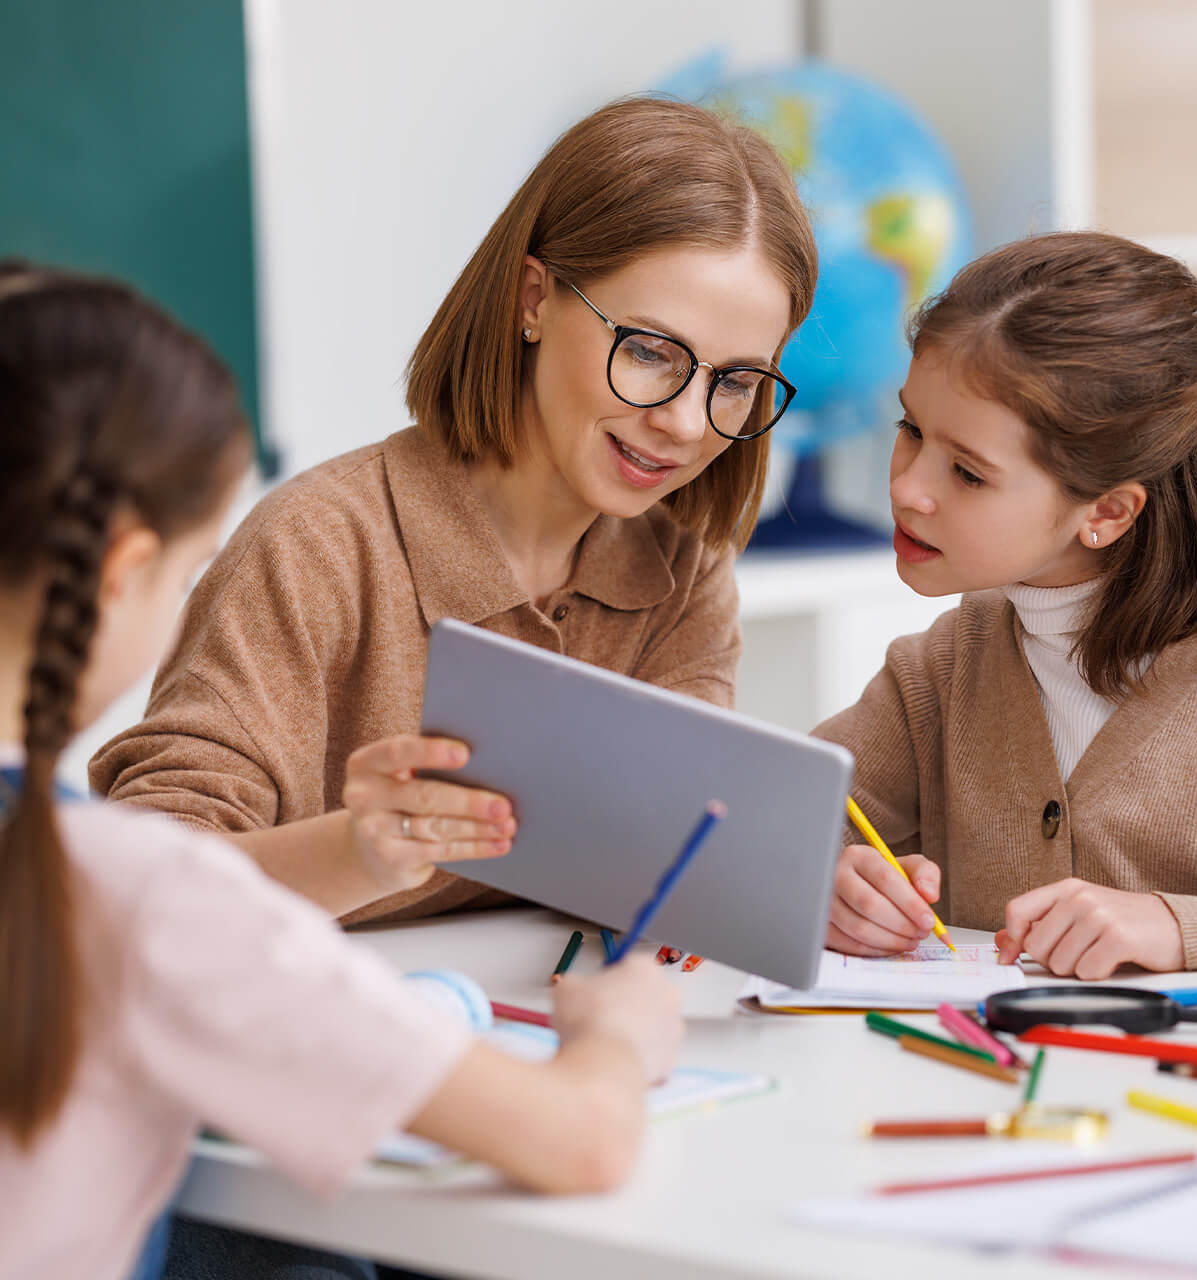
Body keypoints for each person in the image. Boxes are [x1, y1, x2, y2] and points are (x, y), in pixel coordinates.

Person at [0, 265, 684, 1280]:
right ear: (119, 566)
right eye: (186, 571)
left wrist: (358, 852)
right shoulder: (126, 893)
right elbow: (581, 1138)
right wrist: (620, 1036)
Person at [90, 96, 818, 924]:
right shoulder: (316, 547)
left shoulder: (681, 565)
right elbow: (143, 882)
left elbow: (662, 864)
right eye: (650, 351)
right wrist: (356, 851)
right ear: (533, 299)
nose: (686, 424)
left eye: (735, 382)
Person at [815, 231, 1197, 979]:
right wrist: (831, 885)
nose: (909, 486)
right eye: (911, 430)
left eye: (969, 473)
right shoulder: (941, 671)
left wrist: (1184, 929)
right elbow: (771, 826)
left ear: (1106, 513)